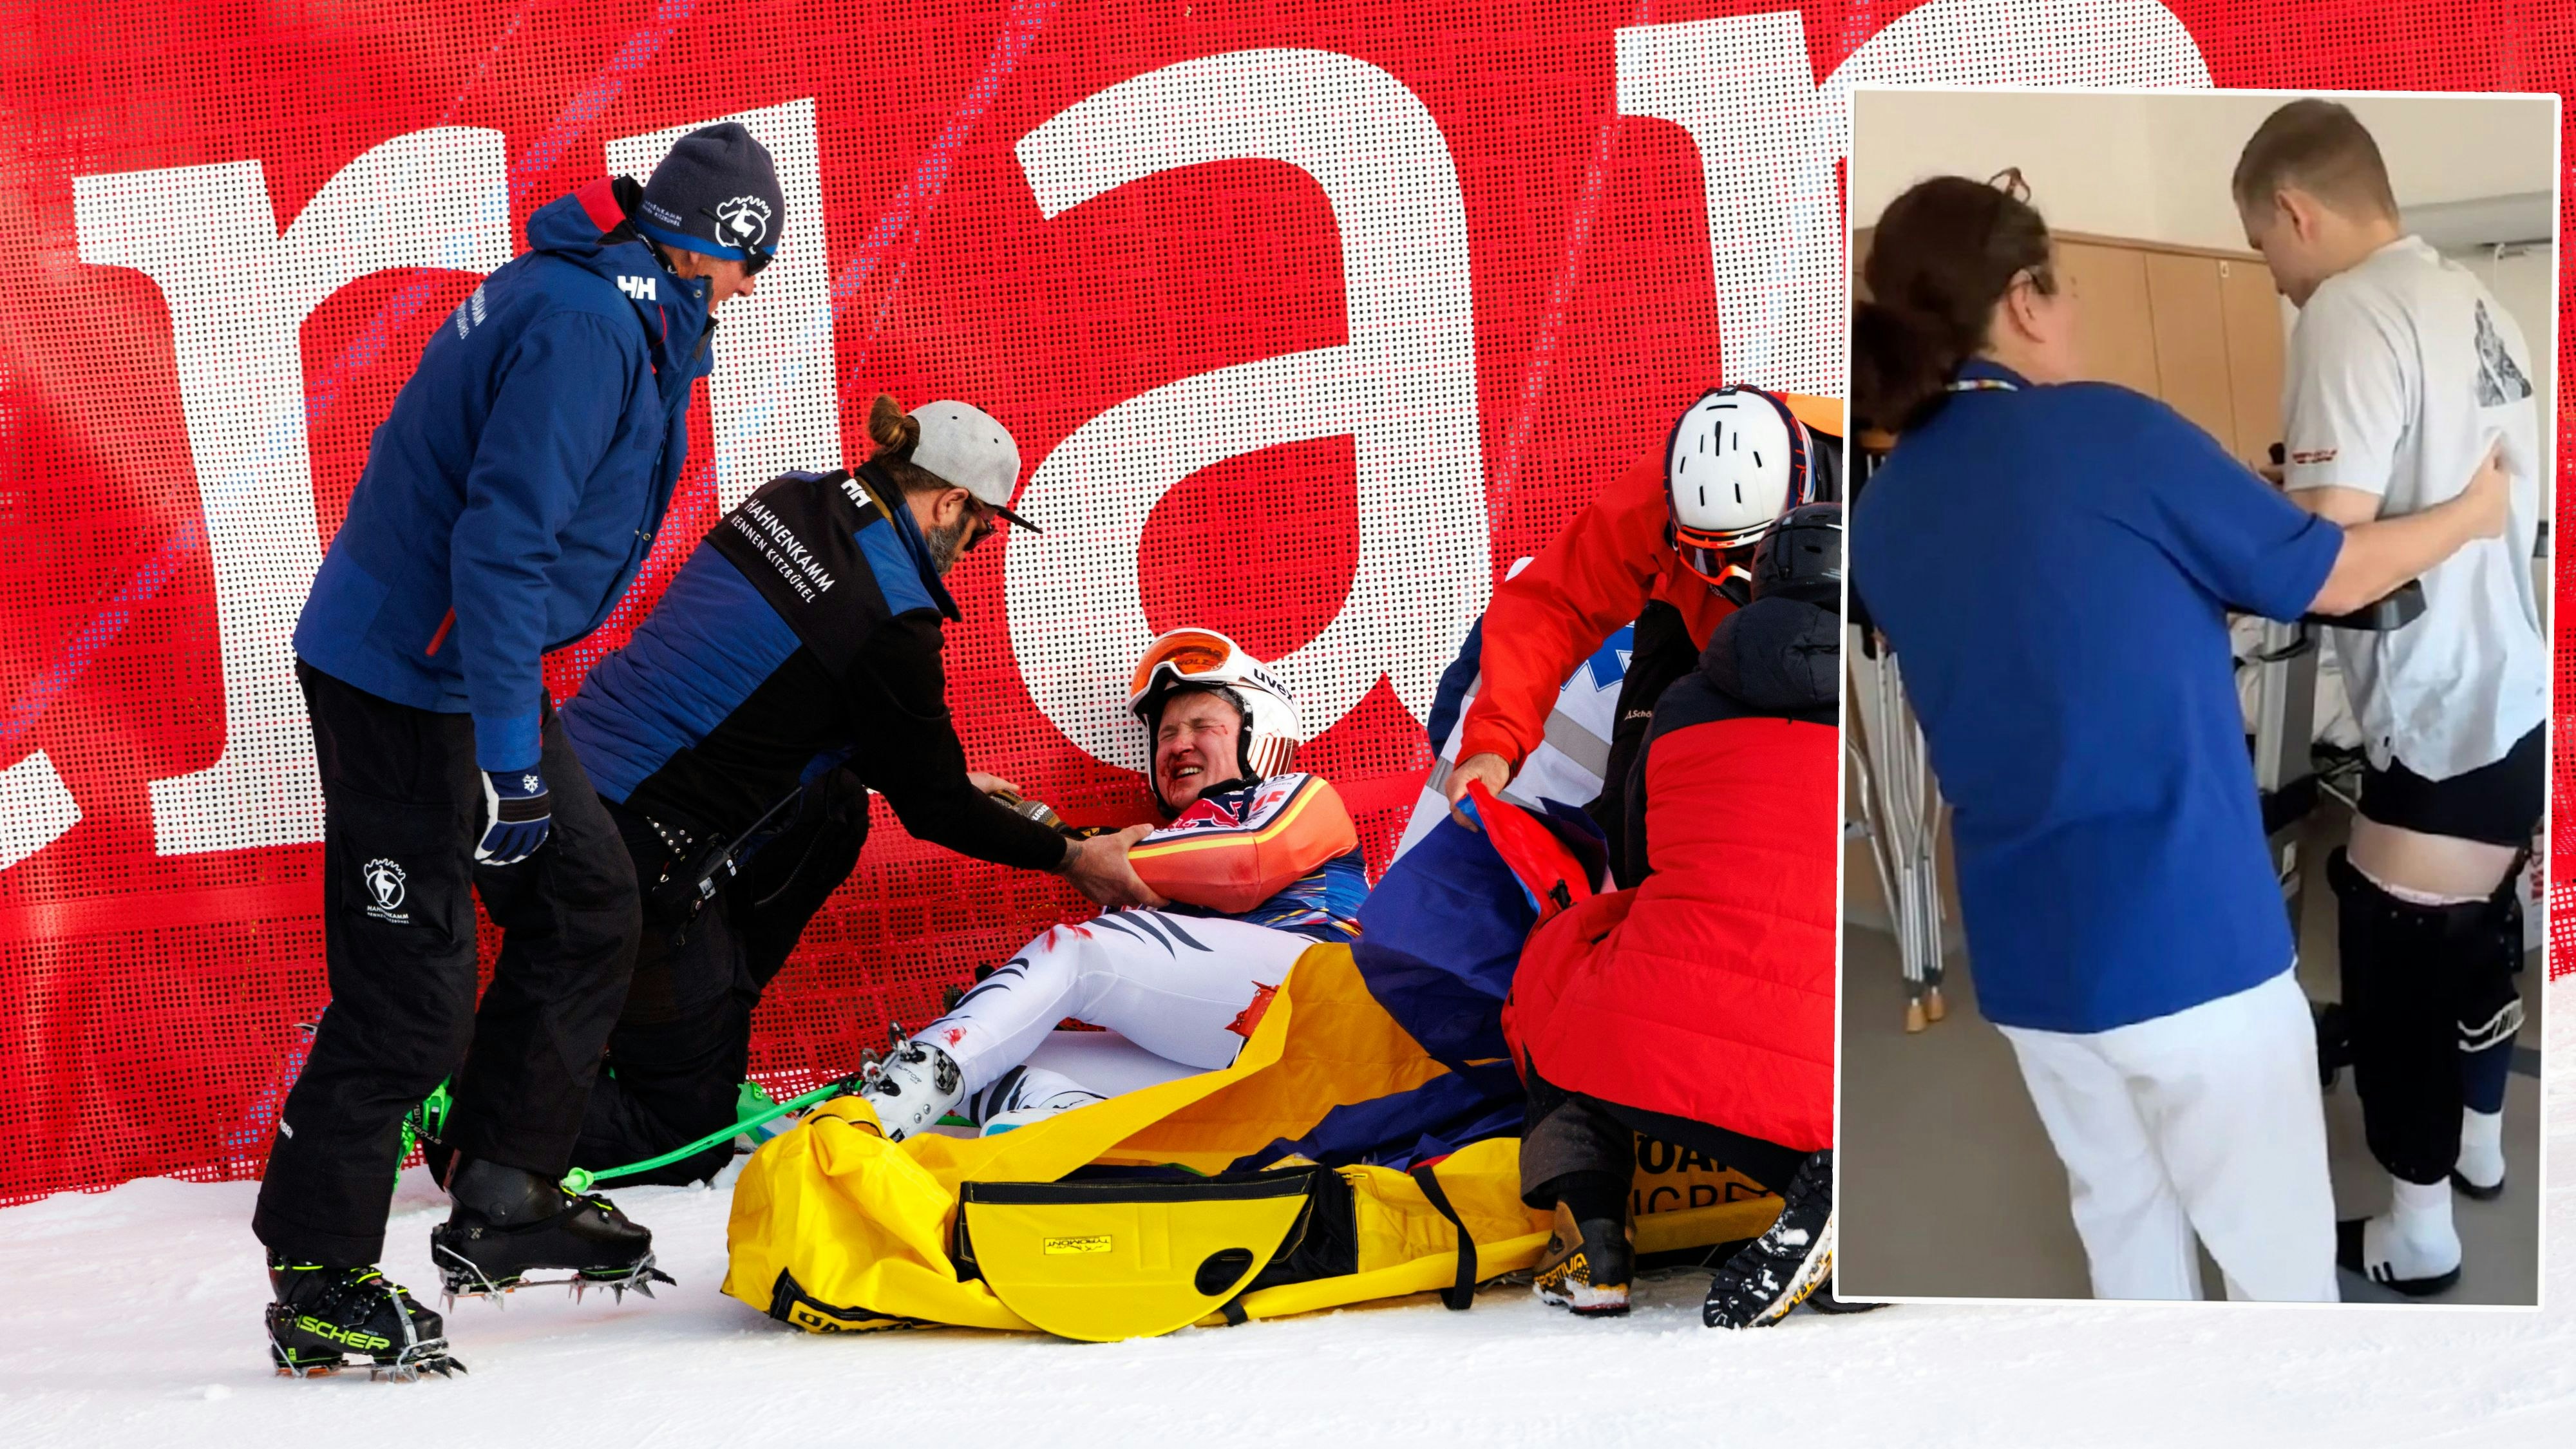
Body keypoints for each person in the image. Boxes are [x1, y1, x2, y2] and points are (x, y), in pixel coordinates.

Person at [1847, 171, 2507, 1302]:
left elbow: (2018, 644)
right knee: (2276, 1260)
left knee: (2126, 1226)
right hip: (2188, 943)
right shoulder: (2112, 430)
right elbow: (2335, 575)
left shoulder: (1886, 504)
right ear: (2026, 298)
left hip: (2028, 962)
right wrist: (2476, 512)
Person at [256, 124, 784, 1378]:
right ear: (716, 245)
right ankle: (319, 1274)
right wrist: (506, 751)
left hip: (462, 662)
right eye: (751, 264)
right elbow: (498, 548)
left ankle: (503, 1188)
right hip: (410, 676)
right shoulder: (588, 327)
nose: (754, 293)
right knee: (414, 989)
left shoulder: (631, 313)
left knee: (591, 898)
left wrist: (503, 721)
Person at [558, 395, 1163, 1184]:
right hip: (624, 855)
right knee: (685, 1129)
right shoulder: (891, 619)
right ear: (948, 500)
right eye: (982, 525)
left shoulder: (786, 499)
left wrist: (912, 766)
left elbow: (788, 687)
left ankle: (699, 1030)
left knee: (837, 805)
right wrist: (1072, 860)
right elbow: (936, 809)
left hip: (563, 785)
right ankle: (472, 1107)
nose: (978, 545)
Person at [2235, 99, 2547, 1295]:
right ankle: (2477, 1152)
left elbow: (2327, 557)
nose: (2279, 280)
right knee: (2476, 937)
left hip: (2438, 709)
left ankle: (2419, 1239)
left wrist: (2290, 520)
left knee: (2394, 944)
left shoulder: (2347, 311)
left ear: (2294, 212)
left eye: (2267, 253)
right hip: (2505, 690)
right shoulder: (2470, 298)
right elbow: (2413, 480)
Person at [1505, 504, 1844, 1329]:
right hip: (1837, 1042)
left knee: (1561, 958)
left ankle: (1593, 1242)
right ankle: (1844, 1185)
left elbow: (1639, 858)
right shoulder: (1911, 699)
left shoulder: (1687, 697)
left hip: (1659, 1028)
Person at [859, 629, 1370, 1141]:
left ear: (1259, 732)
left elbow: (1247, 866)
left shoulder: (1299, 793)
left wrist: (1066, 846)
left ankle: (877, 1116)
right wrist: (958, 799)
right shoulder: (1135, 855)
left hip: (1324, 1020)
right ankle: (1060, 1141)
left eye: (1202, 725)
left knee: (1077, 954)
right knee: (999, 1053)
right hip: (1244, 1081)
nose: (1178, 744)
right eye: (1166, 734)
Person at [1443, 386, 1842, 882]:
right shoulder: (1666, 488)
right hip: (1686, 628)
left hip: (1826, 648)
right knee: (1635, 817)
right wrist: (1493, 743)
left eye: (1745, 560)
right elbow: (1554, 603)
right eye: (1708, 557)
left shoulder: (1871, 488)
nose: (1730, 580)